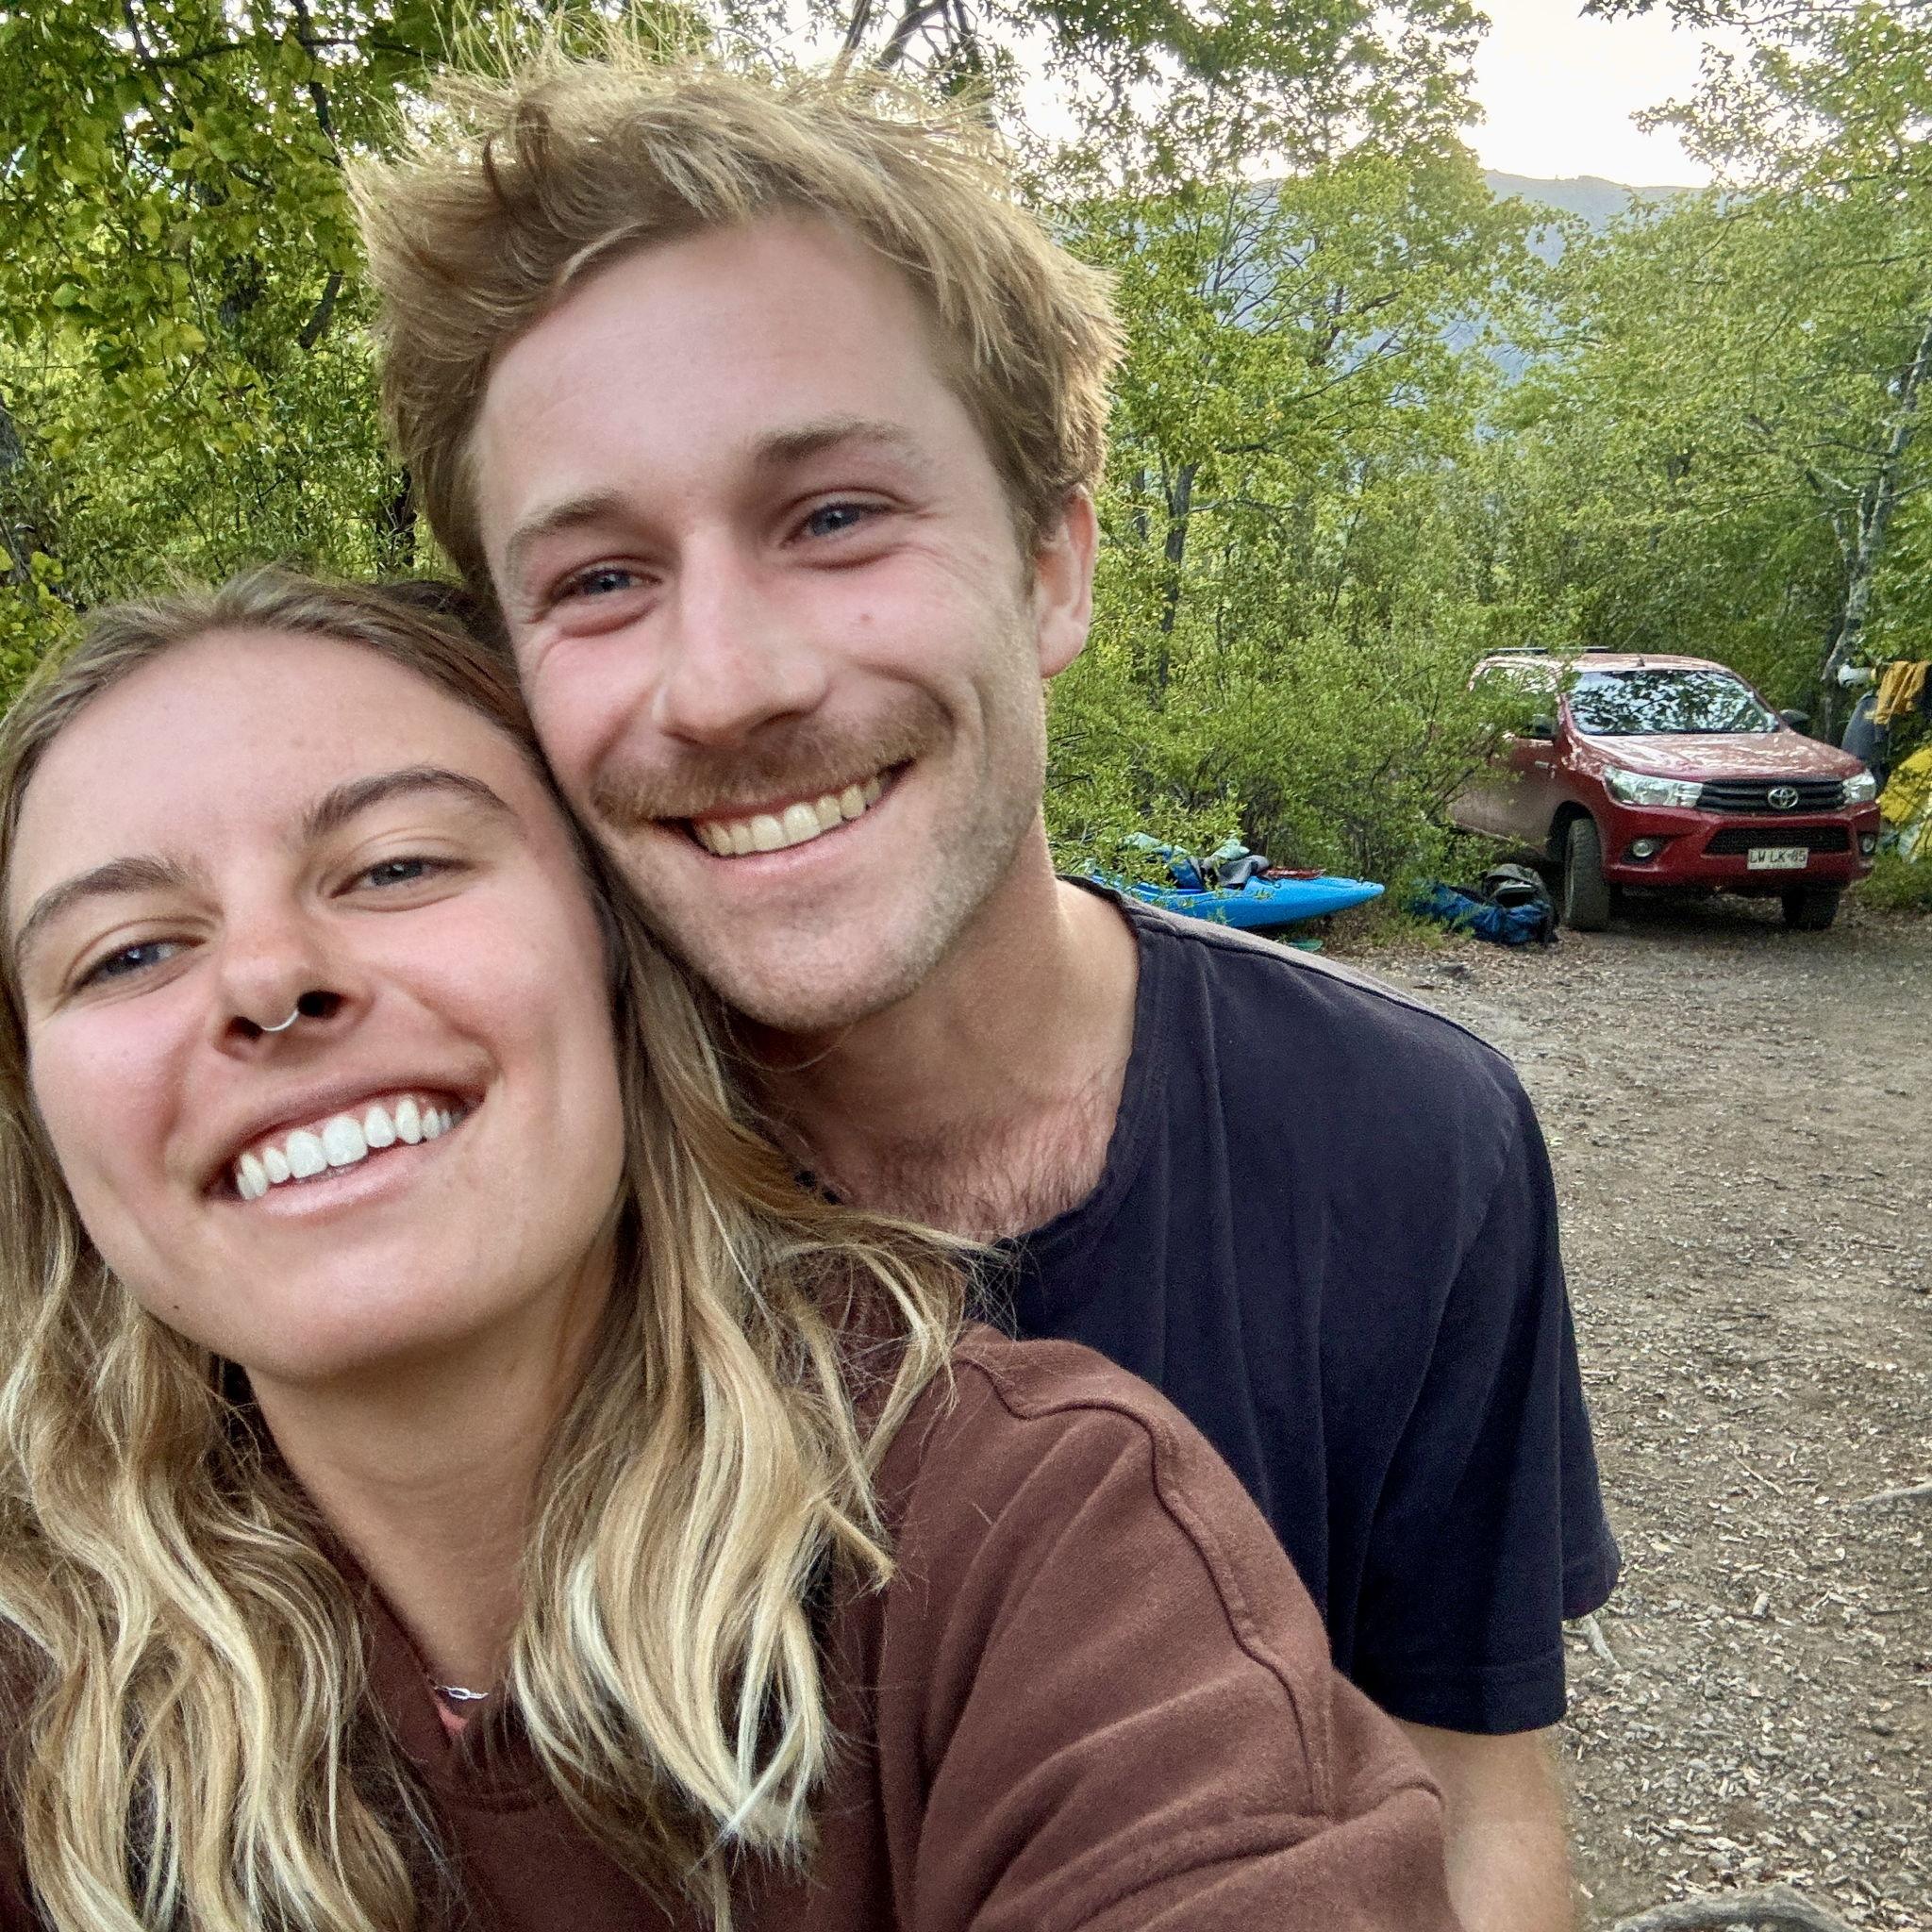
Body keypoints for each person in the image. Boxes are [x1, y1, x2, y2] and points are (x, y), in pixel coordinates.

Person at [356, 51, 1621, 1932]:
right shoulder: (452, 1187)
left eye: (834, 518)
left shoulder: (1406, 1145)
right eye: (601, 578)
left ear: (1052, 567)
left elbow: (1468, 1796)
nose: (727, 684)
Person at [0, 570, 1460, 1932]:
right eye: (127, 953)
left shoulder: (1041, 1550)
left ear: (617, 953)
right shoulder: (30, 1676)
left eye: (395, 866)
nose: (267, 978)